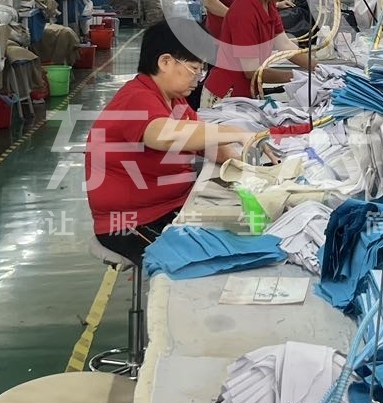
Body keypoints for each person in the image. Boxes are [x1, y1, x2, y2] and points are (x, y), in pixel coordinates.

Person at [86, 21, 259, 260]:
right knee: (212, 260)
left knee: (242, 236)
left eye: (202, 70)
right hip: (133, 223)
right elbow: (165, 136)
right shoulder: (136, 98)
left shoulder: (174, 100)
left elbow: (206, 143)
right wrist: (236, 132)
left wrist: (250, 167)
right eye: (194, 69)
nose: (198, 78)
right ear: (165, 62)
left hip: (172, 208)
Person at [203, 0, 317, 104]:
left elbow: (285, 44)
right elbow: (251, 71)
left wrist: (317, 68)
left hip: (246, 91)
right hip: (225, 94)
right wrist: (295, 76)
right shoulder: (244, 13)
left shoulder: (268, 4)